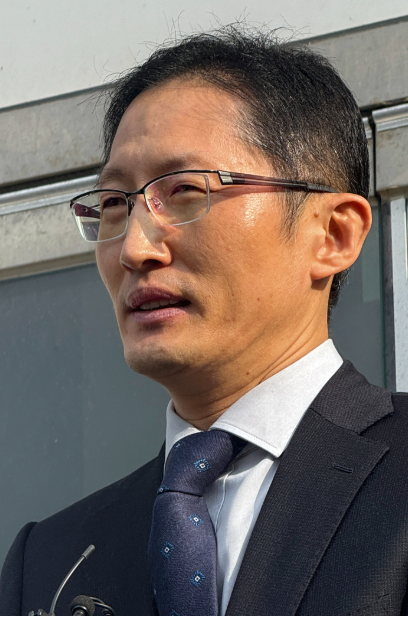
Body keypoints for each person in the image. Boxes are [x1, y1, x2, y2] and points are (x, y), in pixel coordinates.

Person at [1, 25, 408, 617]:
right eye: (114, 204)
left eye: (186, 191)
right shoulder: (51, 561)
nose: (135, 249)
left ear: (333, 235)